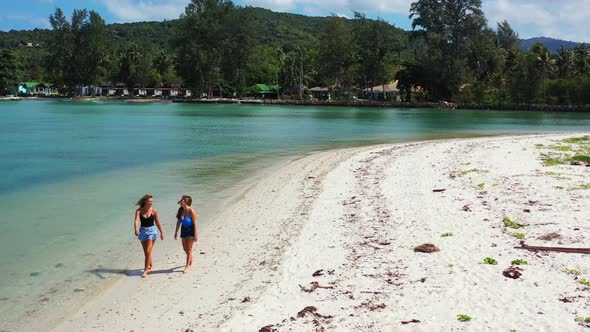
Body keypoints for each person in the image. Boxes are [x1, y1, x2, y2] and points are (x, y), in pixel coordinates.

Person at [134, 194, 164, 278]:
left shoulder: (154, 211)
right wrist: (136, 229)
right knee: (146, 252)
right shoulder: (139, 211)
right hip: (142, 231)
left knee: (148, 252)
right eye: (150, 201)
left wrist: (161, 232)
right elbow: (136, 220)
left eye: (152, 201)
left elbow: (157, 222)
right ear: (145, 201)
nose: (152, 203)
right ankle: (150, 264)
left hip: (152, 231)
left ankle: (145, 270)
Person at [174, 195, 198, 273]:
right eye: (182, 200)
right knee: (185, 248)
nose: (181, 201)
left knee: (189, 248)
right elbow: (178, 222)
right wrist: (176, 232)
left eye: (183, 200)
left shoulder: (191, 211)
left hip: (191, 230)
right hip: (183, 230)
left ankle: (187, 266)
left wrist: (195, 234)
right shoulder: (180, 210)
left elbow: (195, 223)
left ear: (187, 202)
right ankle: (190, 256)